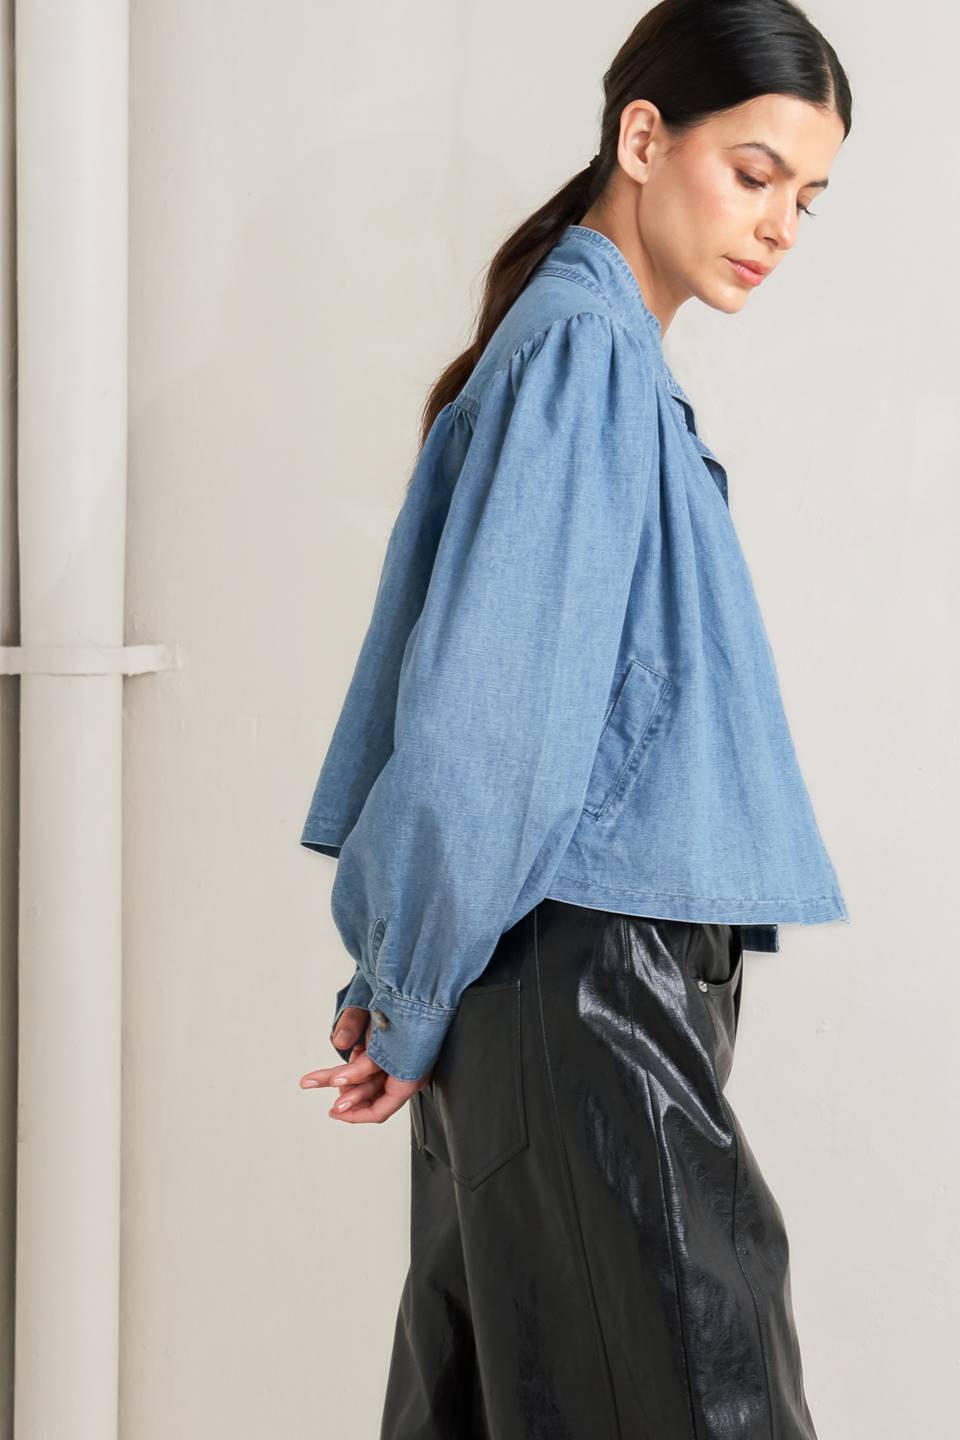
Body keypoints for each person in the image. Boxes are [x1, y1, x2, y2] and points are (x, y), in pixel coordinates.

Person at [298, 0, 852, 1433]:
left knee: (503, 1397)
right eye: (754, 173)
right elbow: (495, 727)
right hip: (587, 980)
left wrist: (412, 981)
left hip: (549, 969)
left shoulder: (586, 348)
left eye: (807, 196)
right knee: (697, 1393)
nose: (780, 225)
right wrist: (410, 982)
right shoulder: (587, 354)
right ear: (643, 136)